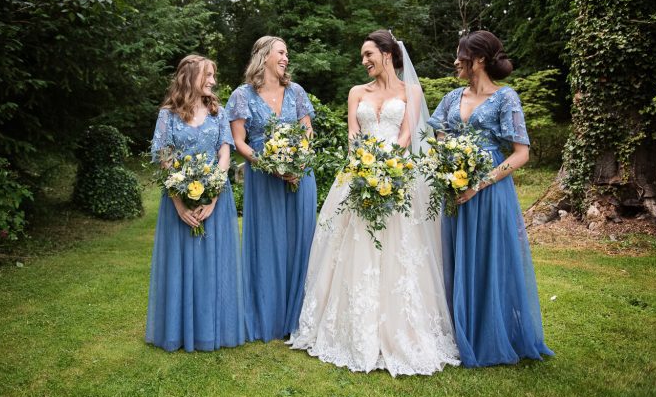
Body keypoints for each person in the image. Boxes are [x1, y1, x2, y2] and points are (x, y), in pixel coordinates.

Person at [288, 30, 460, 377]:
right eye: (362, 56)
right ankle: (352, 328)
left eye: (368, 54)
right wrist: (364, 166)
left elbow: (407, 133)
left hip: (399, 174)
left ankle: (402, 330)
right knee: (354, 246)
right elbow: (354, 133)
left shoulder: (412, 91)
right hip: (359, 172)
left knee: (402, 248)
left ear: (387, 53)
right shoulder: (356, 92)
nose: (364, 61)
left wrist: (388, 167)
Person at [428, 30, 554, 367]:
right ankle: (459, 331)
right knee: (455, 256)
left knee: (489, 257)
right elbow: (439, 136)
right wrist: (448, 163)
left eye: (461, 56)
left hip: (490, 191)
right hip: (454, 189)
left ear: (479, 59)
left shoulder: (505, 97)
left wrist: (478, 184)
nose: (456, 62)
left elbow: (521, 153)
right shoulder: (451, 98)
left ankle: (490, 333)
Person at [145, 54, 245, 352]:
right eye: (208, 75)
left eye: (213, 75)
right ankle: (179, 330)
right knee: (180, 264)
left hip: (216, 198)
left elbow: (224, 154)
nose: (213, 80)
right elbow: (164, 158)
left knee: (212, 264)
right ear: (190, 77)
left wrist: (213, 196)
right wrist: (179, 204)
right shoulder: (168, 115)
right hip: (178, 199)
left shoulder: (218, 112)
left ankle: (210, 328)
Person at [226, 36, 318, 342]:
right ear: (264, 55)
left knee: (300, 240)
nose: (286, 58)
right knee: (268, 243)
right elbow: (238, 141)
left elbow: (307, 131)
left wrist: (296, 162)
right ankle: (268, 315)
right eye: (281, 52)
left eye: (287, 54)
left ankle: (299, 316)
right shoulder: (242, 95)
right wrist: (269, 164)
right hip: (263, 178)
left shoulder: (296, 91)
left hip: (299, 175)